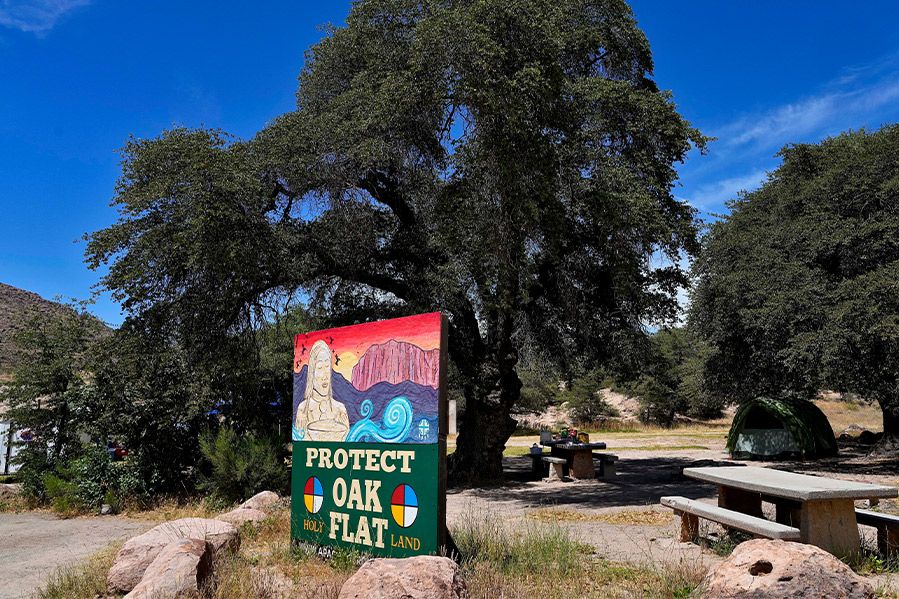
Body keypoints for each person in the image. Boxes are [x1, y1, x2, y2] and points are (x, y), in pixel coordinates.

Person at [294, 340, 350, 441]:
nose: (325, 375)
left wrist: (345, 431)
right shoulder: (303, 409)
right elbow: (302, 448)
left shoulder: (340, 409)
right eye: (320, 368)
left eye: (327, 367)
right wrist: (301, 430)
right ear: (311, 373)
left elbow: (346, 447)